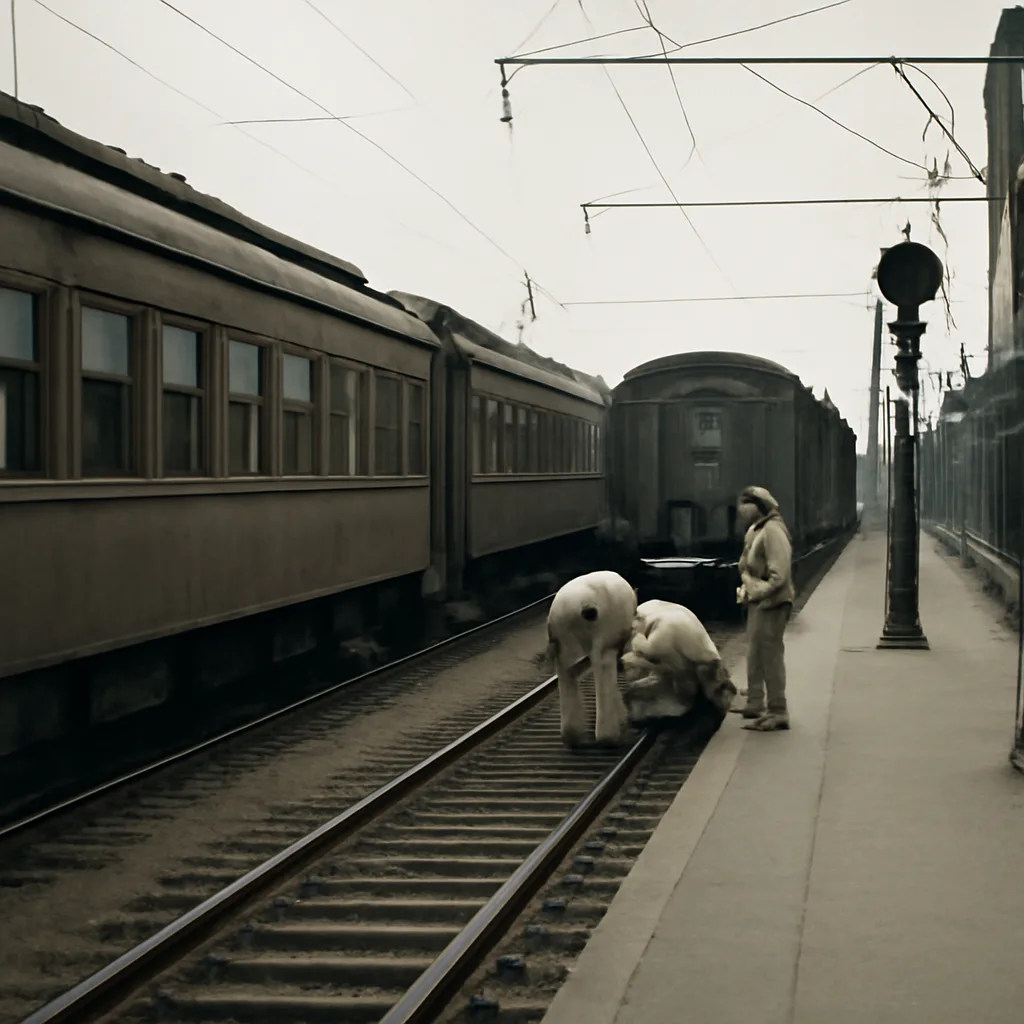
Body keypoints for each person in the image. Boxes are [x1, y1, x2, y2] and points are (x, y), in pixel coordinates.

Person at [731, 486, 796, 731]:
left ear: (759, 506)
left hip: (773, 603)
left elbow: (780, 575)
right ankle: (756, 702)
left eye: (746, 503)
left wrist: (756, 588)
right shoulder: (756, 530)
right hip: (759, 602)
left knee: (770, 656)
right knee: (755, 654)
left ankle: (778, 711)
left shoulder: (773, 531)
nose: (741, 508)